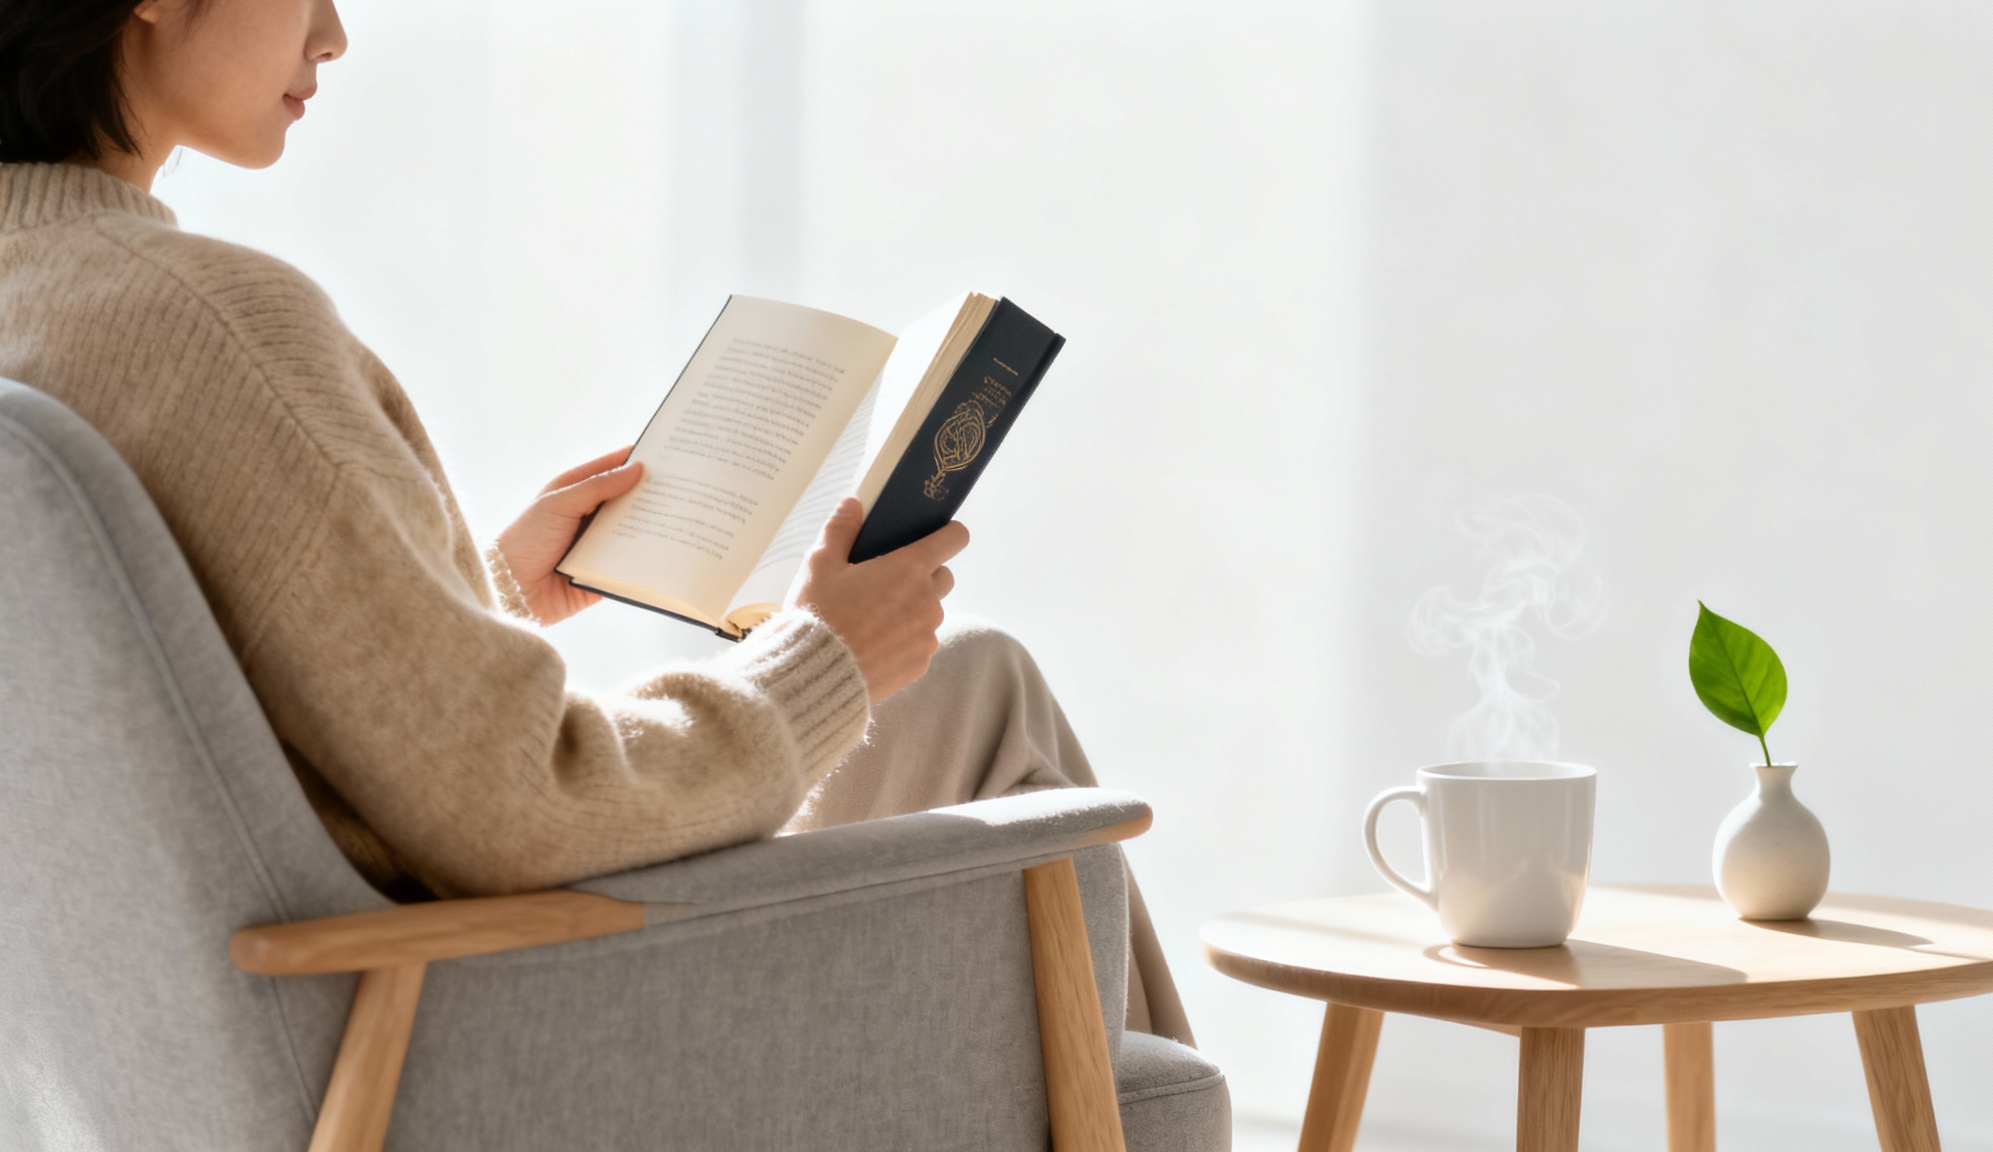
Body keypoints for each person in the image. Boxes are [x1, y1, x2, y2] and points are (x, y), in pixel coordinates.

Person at [0, 0, 1190, 1042]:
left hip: (220, 1050)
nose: (335, 34)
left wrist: (490, 594)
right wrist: (827, 657)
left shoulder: (42, 304)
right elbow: (519, 809)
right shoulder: (215, 328)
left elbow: (214, 729)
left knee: (953, 689)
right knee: (971, 681)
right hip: (452, 1039)